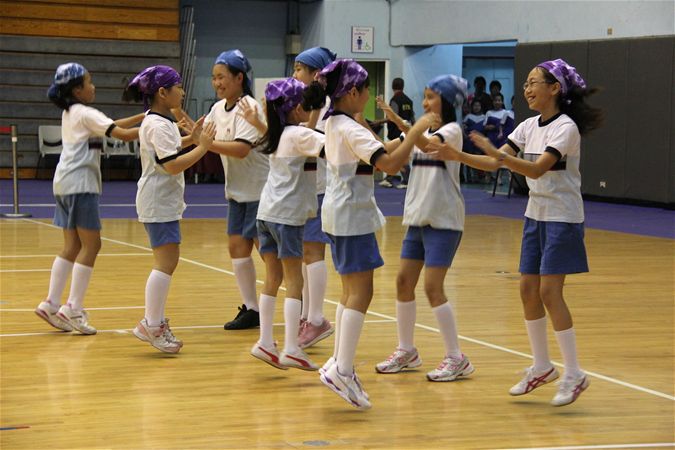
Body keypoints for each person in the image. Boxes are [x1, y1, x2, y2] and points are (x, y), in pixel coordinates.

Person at [429, 58, 603, 406]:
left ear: (555, 88)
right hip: (535, 215)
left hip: (562, 218)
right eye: (525, 83)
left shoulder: (565, 128)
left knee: (550, 293)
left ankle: (573, 373)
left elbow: (537, 170)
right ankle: (542, 366)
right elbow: (495, 162)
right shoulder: (527, 125)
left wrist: (500, 157)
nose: (527, 89)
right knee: (527, 290)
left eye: (533, 82)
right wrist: (455, 154)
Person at [303, 59, 436, 409]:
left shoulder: (336, 122)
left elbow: (381, 150)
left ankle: (338, 362)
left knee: (350, 292)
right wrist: (418, 130)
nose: (368, 95)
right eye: (365, 89)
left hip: (340, 214)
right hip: (352, 216)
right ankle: (343, 369)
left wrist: (406, 134)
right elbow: (390, 165)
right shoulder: (350, 127)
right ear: (352, 92)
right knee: (361, 292)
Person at [374, 74, 475, 383]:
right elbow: (394, 147)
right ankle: (407, 350)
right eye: (425, 96)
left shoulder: (452, 131)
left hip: (444, 220)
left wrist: (405, 125)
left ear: (448, 101)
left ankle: (457, 358)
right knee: (403, 282)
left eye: (431, 96)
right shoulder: (423, 130)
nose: (425, 102)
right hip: (417, 218)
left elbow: (429, 146)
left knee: (433, 288)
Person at [34, 63, 142, 334]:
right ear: (77, 90)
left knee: (72, 246)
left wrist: (144, 116)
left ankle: (51, 303)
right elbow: (122, 134)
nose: (94, 86)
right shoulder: (86, 113)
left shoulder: (72, 112)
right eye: (89, 82)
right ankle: (73, 308)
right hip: (81, 185)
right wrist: (157, 124)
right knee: (92, 245)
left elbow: (112, 126)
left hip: (63, 184)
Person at [123, 65, 216, 353]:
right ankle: (151, 324)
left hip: (162, 201)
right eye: (178, 86)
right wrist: (203, 147)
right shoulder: (158, 124)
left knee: (168, 261)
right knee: (165, 263)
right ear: (163, 93)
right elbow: (172, 164)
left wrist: (193, 139)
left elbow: (169, 148)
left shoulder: (160, 122)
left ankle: (154, 321)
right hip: (158, 201)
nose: (183, 92)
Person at [249, 78, 326, 370]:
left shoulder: (278, 134)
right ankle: (292, 347)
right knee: (295, 281)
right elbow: (332, 146)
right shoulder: (299, 134)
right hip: (288, 216)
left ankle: (265, 342)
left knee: (273, 278)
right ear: (295, 108)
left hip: (266, 213)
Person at [205, 50, 269, 330]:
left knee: (268, 252)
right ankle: (252, 309)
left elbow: (241, 149)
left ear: (239, 77)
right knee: (237, 248)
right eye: (214, 77)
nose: (217, 83)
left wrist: (205, 144)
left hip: (260, 190)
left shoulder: (248, 107)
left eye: (221, 77)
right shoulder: (217, 109)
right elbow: (203, 135)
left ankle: (299, 300)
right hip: (237, 191)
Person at [292, 47, 337, 348]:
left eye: (299, 69)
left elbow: (320, 145)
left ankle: (317, 318)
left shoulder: (326, 105)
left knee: (313, 252)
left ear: (316, 74)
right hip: (306, 188)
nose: (294, 74)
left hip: (321, 187)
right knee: (305, 255)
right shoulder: (307, 103)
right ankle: (307, 316)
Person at [379, 77, 415, 189]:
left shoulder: (394, 100)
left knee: (396, 156)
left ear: (392, 87)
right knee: (401, 156)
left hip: (396, 132)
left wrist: (378, 122)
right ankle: (394, 179)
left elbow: (391, 117)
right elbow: (412, 117)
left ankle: (403, 180)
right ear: (403, 86)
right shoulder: (408, 101)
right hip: (406, 131)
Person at [461, 99, 485, 183]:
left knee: (478, 158)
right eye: (475, 105)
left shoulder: (484, 117)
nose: (476, 107)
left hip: (479, 141)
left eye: (478, 105)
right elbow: (463, 126)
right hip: (469, 141)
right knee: (468, 158)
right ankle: (469, 177)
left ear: (481, 107)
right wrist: (465, 135)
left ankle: (478, 177)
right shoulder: (468, 116)